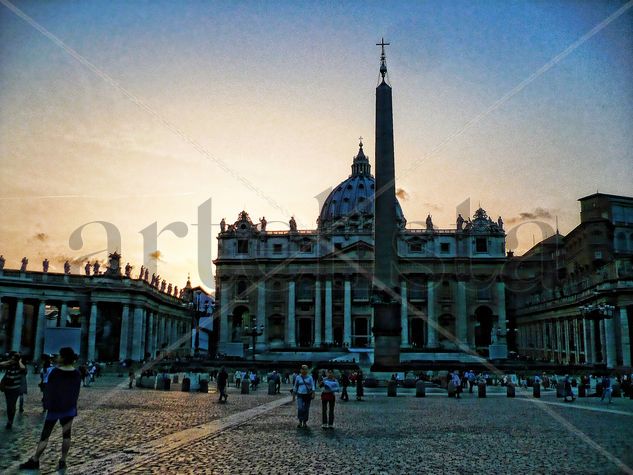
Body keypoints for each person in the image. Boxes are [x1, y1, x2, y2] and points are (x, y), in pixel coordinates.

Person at [19, 347, 82, 471]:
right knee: (66, 436)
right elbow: (76, 392)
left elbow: (50, 390)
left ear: (63, 357)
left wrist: (48, 404)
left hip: (55, 409)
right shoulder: (76, 373)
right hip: (69, 409)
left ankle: (35, 460)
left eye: (59, 355)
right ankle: (63, 460)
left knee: (45, 436)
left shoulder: (56, 372)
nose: (57, 357)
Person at [1, 351, 27, 429]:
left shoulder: (20, 366)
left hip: (15, 389)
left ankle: (10, 421)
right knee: (9, 405)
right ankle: (10, 419)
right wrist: (10, 361)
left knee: (11, 405)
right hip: (7, 389)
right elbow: (1, 364)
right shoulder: (9, 365)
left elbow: (23, 368)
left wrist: (19, 361)